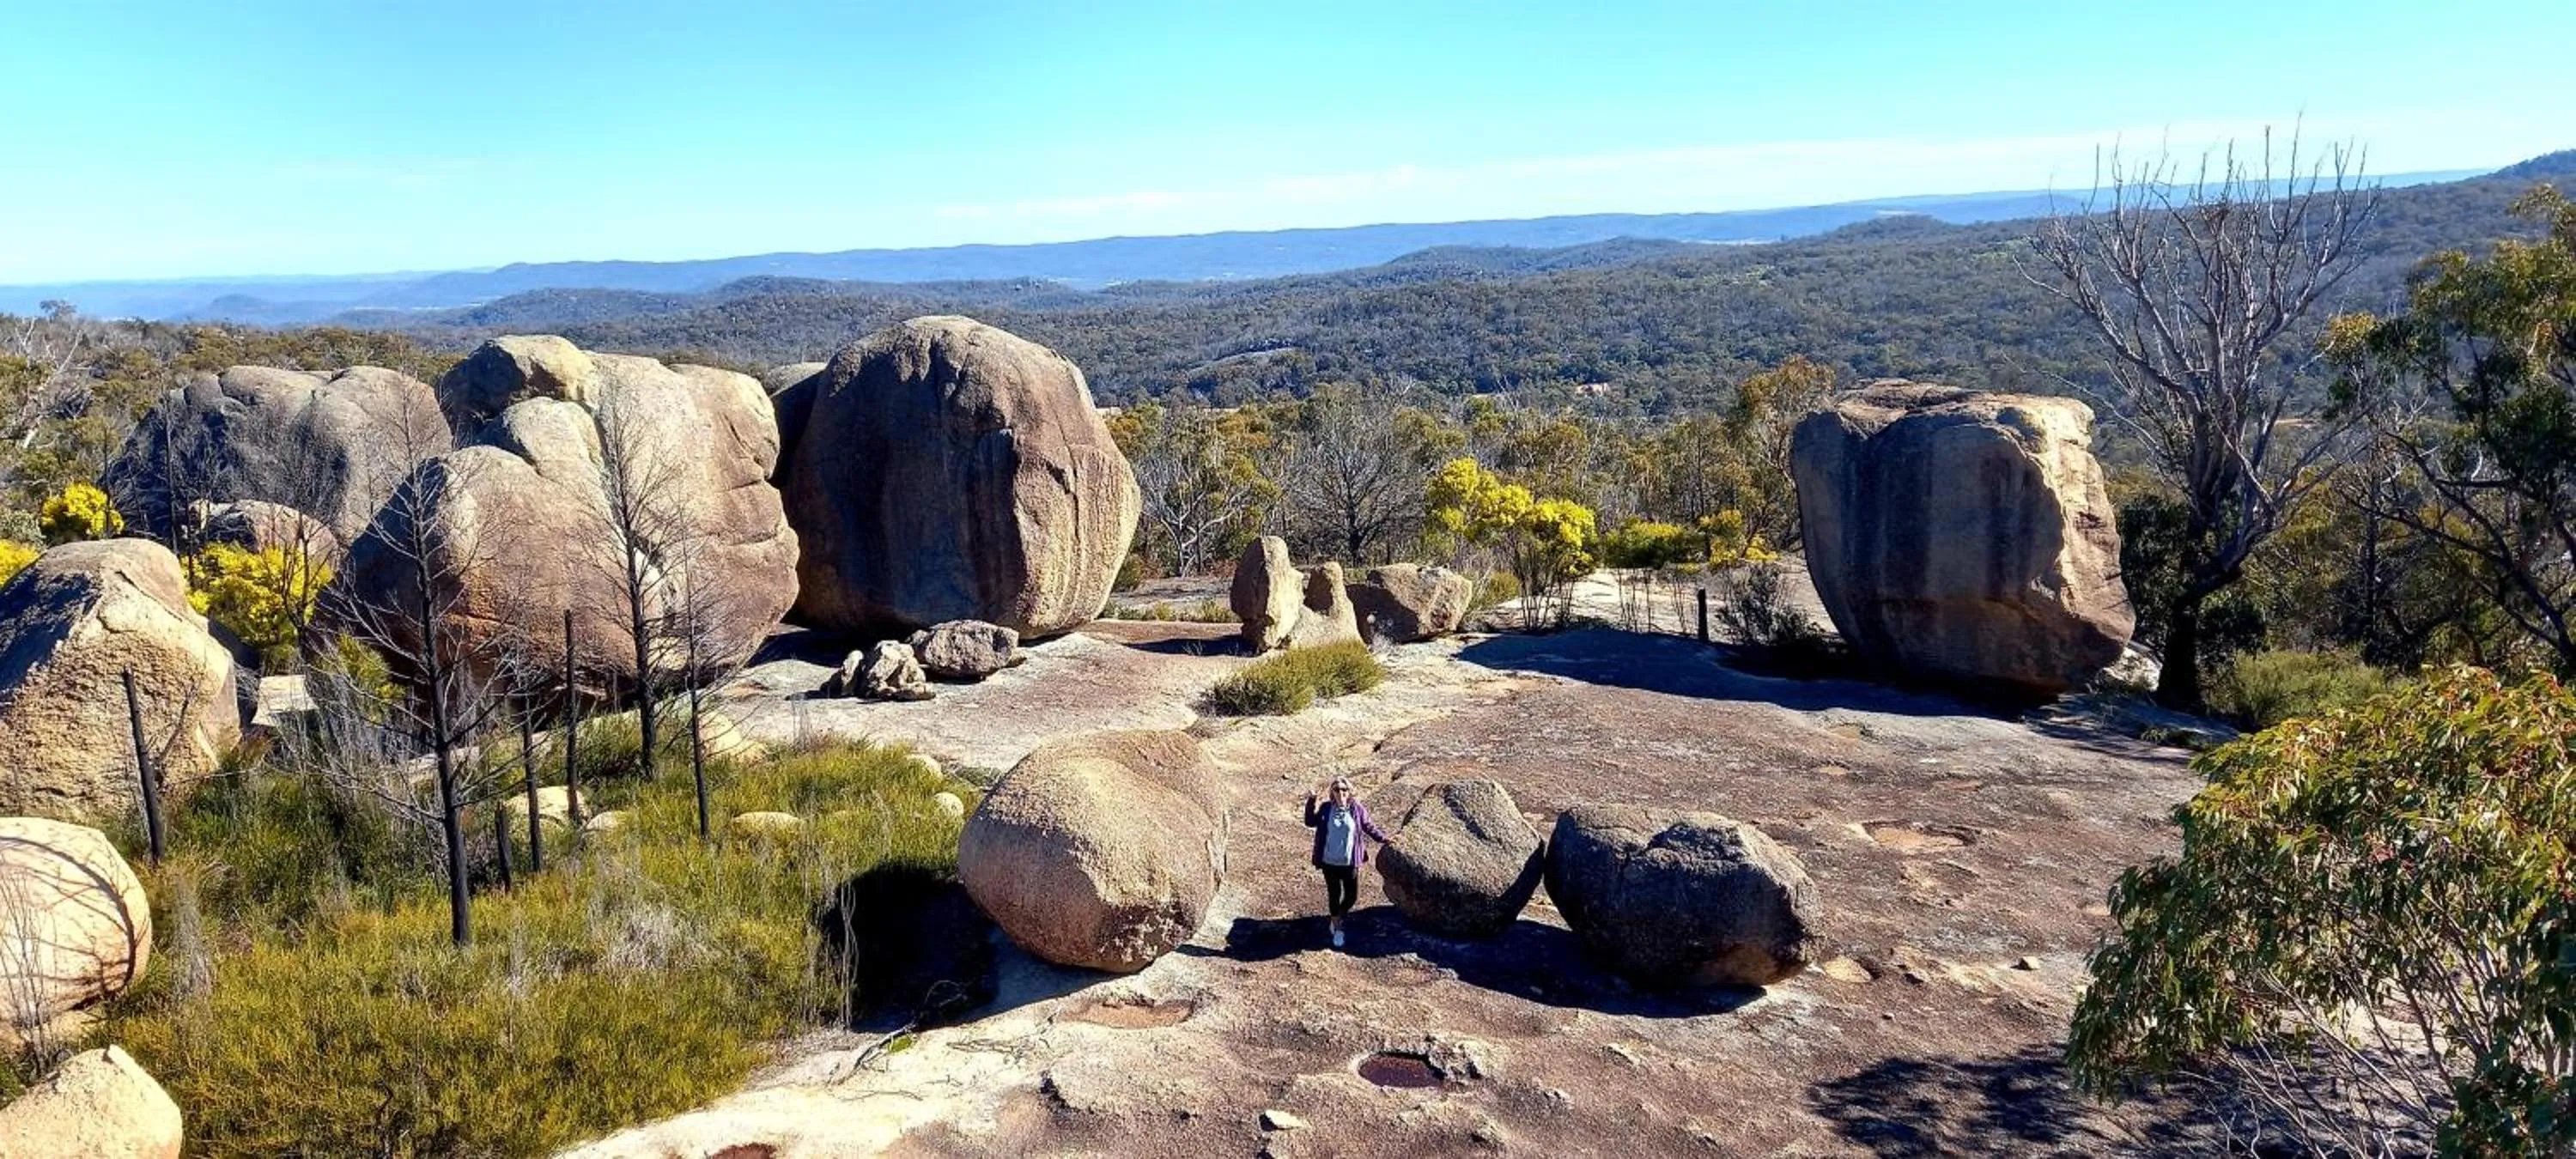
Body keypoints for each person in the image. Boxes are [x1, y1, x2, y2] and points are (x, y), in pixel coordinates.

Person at [1303, 775, 1391, 949]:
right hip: (1329, 862)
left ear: (1350, 791)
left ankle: (1337, 916)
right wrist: (1312, 800)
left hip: (1350, 862)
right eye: (1337, 789)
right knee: (1334, 894)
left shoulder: (1357, 809)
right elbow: (1310, 821)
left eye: (1344, 789)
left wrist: (1384, 839)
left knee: (1351, 896)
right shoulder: (1326, 808)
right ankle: (1337, 928)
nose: (1341, 792)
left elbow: (1369, 826)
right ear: (1332, 792)